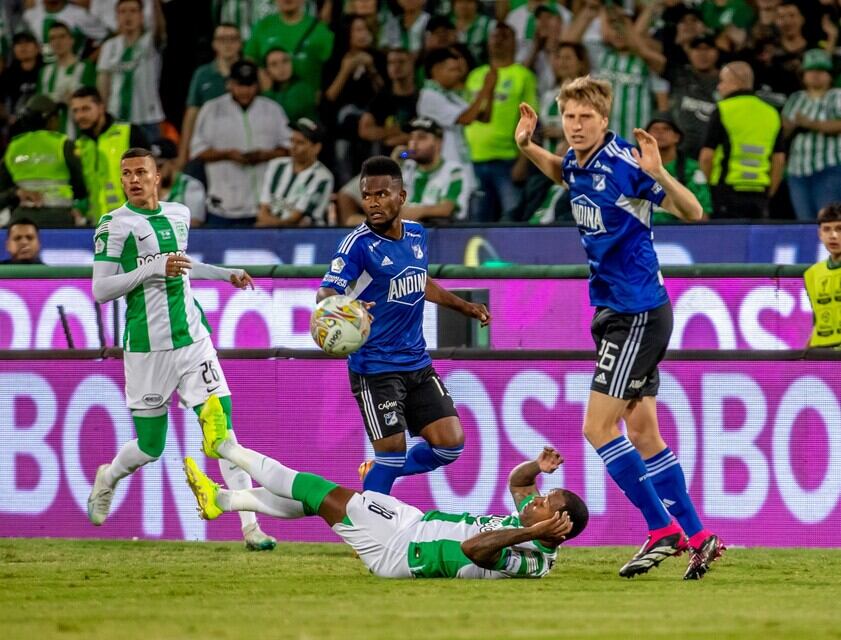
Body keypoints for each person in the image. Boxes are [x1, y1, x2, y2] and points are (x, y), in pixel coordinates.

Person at [515, 76, 724, 580]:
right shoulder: (575, 160)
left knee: (597, 427)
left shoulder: (627, 164)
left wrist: (661, 173)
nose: (577, 125)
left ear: (604, 119)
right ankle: (698, 537)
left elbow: (693, 210)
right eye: (569, 117)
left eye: (586, 117)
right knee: (643, 431)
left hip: (637, 313)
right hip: (615, 311)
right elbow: (562, 172)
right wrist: (527, 147)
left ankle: (661, 528)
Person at [86, 147, 277, 551]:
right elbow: (101, 290)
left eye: (141, 172)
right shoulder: (113, 225)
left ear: (158, 176)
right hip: (147, 349)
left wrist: (226, 275)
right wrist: (152, 268)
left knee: (222, 432)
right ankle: (108, 477)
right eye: (126, 174)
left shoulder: (178, 214)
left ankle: (250, 526)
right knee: (150, 447)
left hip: (193, 341)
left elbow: (182, 264)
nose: (134, 180)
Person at [184, 408, 588, 579]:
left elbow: (474, 550)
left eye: (544, 504)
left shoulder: (534, 561)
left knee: (314, 488)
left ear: (559, 527)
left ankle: (223, 445)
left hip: (402, 551)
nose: (535, 500)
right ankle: (223, 501)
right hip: (412, 525)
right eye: (542, 497)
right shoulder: (528, 520)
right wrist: (538, 467)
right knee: (319, 503)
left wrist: (530, 533)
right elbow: (518, 483)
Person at [317, 156, 490, 495]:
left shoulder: (416, 234)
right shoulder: (357, 246)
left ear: (401, 196)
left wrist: (463, 306)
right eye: (367, 195)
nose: (373, 202)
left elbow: (420, 281)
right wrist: (347, 307)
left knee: (450, 445)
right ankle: (370, 530)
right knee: (392, 454)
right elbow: (327, 291)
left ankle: (375, 472)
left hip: (417, 363)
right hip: (376, 367)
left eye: (382, 194)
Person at [190, 60, 291, 227]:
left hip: (262, 208)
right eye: (240, 85)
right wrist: (228, 154)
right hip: (222, 206)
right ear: (230, 84)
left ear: (257, 85)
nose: (245, 90)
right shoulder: (212, 109)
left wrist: (265, 155)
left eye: (250, 85)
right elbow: (197, 150)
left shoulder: (272, 110)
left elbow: (289, 148)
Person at [465, 23, 537, 222]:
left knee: (511, 217)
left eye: (505, 36)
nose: (499, 40)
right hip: (474, 159)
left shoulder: (523, 76)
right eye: (495, 36)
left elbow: (531, 119)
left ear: (514, 42)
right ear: (488, 42)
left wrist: (523, 161)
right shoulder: (475, 76)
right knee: (476, 221)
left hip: (507, 161)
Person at [699, 61, 785, 220]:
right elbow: (779, 160)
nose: (719, 87)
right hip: (760, 192)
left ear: (735, 81)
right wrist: (769, 192)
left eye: (722, 81)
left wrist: (711, 187)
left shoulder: (723, 109)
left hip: (727, 191)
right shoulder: (772, 113)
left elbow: (706, 157)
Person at [417, 47, 497, 216]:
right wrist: (484, 88)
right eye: (451, 70)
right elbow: (466, 118)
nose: (457, 75)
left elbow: (483, 117)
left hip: (462, 164)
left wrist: (490, 91)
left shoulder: (449, 95)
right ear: (436, 70)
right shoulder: (429, 96)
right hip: (445, 170)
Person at [0, 95, 88, 228]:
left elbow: (3, 192)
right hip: (60, 219)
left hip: (22, 220)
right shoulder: (64, 145)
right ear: (52, 120)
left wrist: (16, 194)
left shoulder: (13, 147)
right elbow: (81, 187)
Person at [70, 86, 149, 224]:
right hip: (96, 226)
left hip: (132, 222)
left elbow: (149, 178)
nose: (80, 116)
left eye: (86, 109)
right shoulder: (79, 145)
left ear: (101, 107)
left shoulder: (129, 133)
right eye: (75, 111)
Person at [782, 49, 841, 222]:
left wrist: (809, 123)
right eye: (811, 70)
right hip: (797, 170)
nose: (816, 75)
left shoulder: (836, 96)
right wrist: (792, 125)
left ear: (829, 75)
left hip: (829, 168)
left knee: (828, 220)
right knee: (804, 222)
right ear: (804, 75)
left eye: (821, 71)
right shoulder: (795, 98)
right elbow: (783, 130)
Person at [97, 0, 166, 142]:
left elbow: (160, 29)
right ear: (117, 17)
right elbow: (103, 82)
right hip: (116, 117)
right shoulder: (109, 46)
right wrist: (101, 114)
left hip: (147, 118)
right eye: (123, 12)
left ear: (142, 16)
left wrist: (155, 4)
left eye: (133, 11)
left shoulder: (150, 42)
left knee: (147, 163)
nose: (128, 16)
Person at [178, 23, 243, 169]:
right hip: (210, 148)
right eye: (222, 39)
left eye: (232, 39)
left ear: (240, 43)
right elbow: (191, 115)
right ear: (214, 44)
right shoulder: (203, 74)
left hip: (241, 145)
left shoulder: (249, 72)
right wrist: (183, 155)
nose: (227, 44)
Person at [244, 0, 335, 104]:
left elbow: (332, 68)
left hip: (307, 106)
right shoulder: (262, 27)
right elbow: (249, 62)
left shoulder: (319, 29)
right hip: (268, 104)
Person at [256, 118, 334, 227]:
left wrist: (267, 225)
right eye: (292, 141)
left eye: (300, 143)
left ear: (316, 148)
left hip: (303, 237)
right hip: (269, 233)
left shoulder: (323, 177)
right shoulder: (276, 165)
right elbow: (262, 210)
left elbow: (295, 220)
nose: (293, 147)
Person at [645, 112, 712, 222]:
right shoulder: (634, 168)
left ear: (677, 137)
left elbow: (702, 214)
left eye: (666, 129)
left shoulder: (692, 170)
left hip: (678, 233)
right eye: (655, 130)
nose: (660, 133)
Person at [401, 117, 469, 222]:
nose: (413, 143)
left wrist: (418, 212)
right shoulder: (407, 168)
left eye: (421, 138)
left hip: (443, 233)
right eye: (411, 138)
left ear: (438, 143)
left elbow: (446, 209)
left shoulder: (453, 170)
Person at [36, 22, 96, 137]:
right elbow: (39, 106)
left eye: (62, 36)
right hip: (50, 136)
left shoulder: (85, 67)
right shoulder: (44, 72)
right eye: (53, 38)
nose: (58, 42)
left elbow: (93, 102)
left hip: (79, 134)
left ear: (71, 40)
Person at [664, 33, 719, 161]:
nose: (703, 54)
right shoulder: (678, 75)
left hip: (712, 155)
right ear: (689, 52)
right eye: (697, 49)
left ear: (717, 52)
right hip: (680, 155)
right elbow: (644, 51)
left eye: (708, 49)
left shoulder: (727, 81)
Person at [357, 48, 418, 157]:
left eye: (401, 62)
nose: (396, 66)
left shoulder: (422, 98)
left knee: (409, 153)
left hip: (411, 154)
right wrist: (390, 133)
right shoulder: (382, 98)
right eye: (391, 63)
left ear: (411, 63)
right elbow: (364, 130)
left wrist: (404, 138)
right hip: (385, 157)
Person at [804, 203, 841, 349]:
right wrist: (804, 356)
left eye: (839, 229)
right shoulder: (812, 274)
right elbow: (819, 322)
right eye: (827, 229)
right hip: (825, 359)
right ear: (820, 234)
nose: (833, 236)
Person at [23, 0, 108, 61]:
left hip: (73, 73)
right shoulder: (31, 15)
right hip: (45, 73)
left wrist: (87, 63)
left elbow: (107, 37)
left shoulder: (79, 14)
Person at [151, 138, 207, 226]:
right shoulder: (148, 188)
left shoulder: (190, 186)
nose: (155, 172)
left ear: (173, 163)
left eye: (160, 166)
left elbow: (195, 223)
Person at [261, 48, 317, 123]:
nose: (281, 67)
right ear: (267, 72)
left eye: (285, 61)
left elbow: (285, 116)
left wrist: (267, 93)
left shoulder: (303, 88)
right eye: (274, 64)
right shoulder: (266, 93)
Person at [453, 0, 495, 67]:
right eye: (460, 1)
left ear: (477, 4)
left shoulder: (489, 24)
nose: (464, 5)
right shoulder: (446, 24)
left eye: (469, 2)